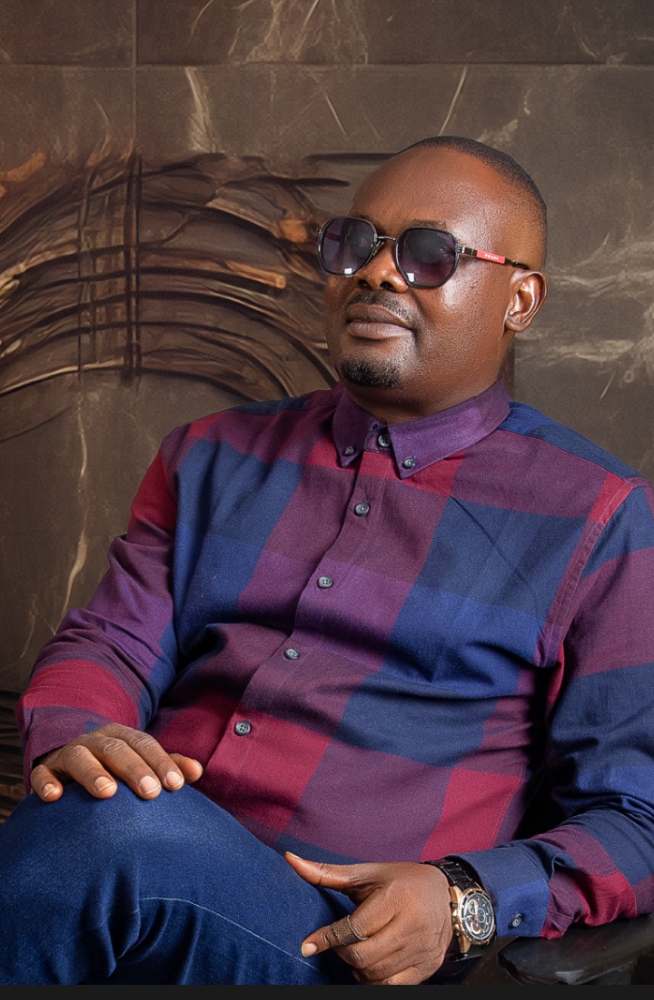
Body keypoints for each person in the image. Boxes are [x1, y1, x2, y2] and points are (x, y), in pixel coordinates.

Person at [3, 136, 654, 986]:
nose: (377, 273)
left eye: (429, 254)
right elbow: (109, 644)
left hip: (339, 942)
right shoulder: (212, 454)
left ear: (520, 299)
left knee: (104, 838)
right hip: (132, 860)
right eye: (355, 243)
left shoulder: (600, 517)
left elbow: (636, 819)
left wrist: (466, 898)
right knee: (94, 822)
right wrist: (80, 735)